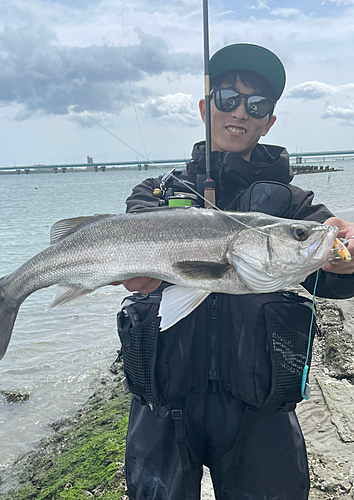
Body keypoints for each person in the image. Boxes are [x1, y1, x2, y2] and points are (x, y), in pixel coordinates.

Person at [115, 43, 354, 500]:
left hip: (259, 407)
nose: (240, 112)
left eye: (257, 104)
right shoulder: (155, 194)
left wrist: (347, 254)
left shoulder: (294, 208)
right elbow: (132, 274)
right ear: (207, 108)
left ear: (269, 121)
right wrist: (137, 272)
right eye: (228, 99)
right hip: (164, 403)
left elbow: (333, 278)